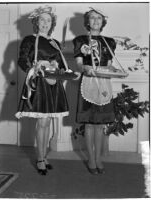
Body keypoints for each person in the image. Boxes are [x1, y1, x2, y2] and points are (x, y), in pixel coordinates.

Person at [15, 5, 69, 175]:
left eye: (48, 20)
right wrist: (34, 68)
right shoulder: (29, 40)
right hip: (38, 83)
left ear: (52, 23)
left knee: (48, 122)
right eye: (42, 20)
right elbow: (22, 60)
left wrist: (55, 65)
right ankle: (40, 159)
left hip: (53, 83)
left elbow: (59, 64)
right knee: (42, 122)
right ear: (36, 22)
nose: (45, 23)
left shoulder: (55, 43)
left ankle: (43, 156)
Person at [73, 8, 116, 175]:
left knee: (100, 125)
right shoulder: (80, 40)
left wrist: (114, 69)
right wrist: (85, 67)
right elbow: (78, 64)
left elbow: (110, 64)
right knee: (90, 124)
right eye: (92, 18)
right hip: (89, 82)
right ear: (87, 22)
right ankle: (91, 159)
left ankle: (98, 158)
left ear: (103, 21)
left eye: (99, 18)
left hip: (104, 83)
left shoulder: (110, 42)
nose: (96, 21)